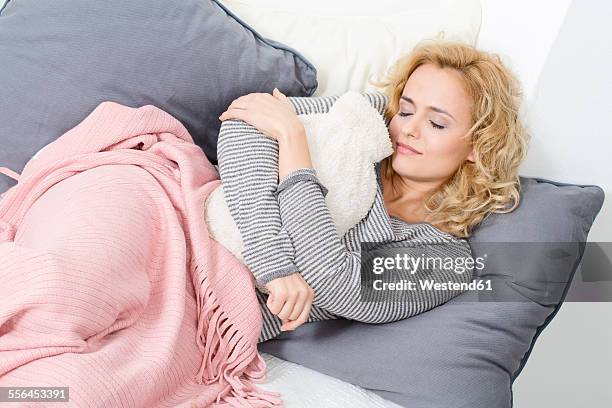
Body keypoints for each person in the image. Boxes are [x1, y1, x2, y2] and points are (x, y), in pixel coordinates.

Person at [217, 39, 528, 342]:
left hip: (217, 305)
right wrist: (271, 259)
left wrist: (292, 140)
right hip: (187, 212)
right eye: (406, 111)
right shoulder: (371, 121)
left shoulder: (446, 262)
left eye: (436, 123)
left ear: (479, 145)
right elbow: (245, 118)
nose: (408, 128)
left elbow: (332, 282)